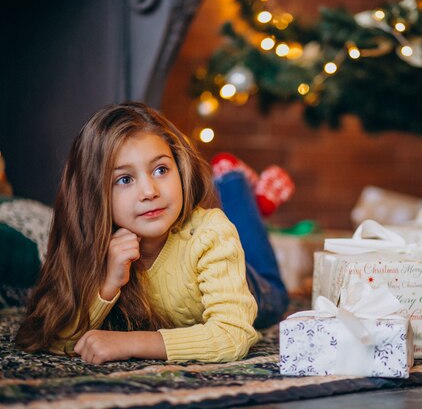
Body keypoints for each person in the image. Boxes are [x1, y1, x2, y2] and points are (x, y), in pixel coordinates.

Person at [15, 102, 289, 364]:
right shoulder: (94, 247)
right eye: (124, 179)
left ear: (180, 170)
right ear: (93, 195)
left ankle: (233, 182)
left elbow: (232, 335)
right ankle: (230, 184)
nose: (149, 192)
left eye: (160, 170)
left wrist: (131, 342)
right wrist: (109, 283)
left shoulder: (210, 232)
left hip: (256, 290)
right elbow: (58, 339)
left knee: (271, 282)